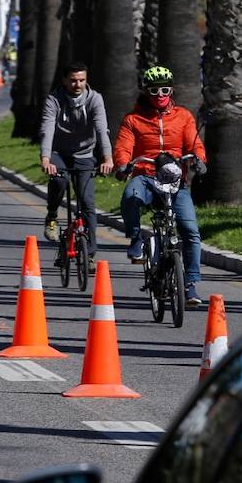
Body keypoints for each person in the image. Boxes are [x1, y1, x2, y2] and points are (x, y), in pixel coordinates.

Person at [112, 64, 208, 307]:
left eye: (164, 90)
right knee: (131, 196)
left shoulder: (184, 116)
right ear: (146, 92)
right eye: (154, 91)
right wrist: (123, 165)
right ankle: (135, 238)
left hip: (175, 180)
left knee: (191, 231)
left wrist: (199, 159)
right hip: (146, 176)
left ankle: (191, 284)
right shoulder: (133, 120)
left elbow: (194, 144)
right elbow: (123, 147)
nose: (160, 95)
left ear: (171, 90)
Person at [39, 62, 113, 267]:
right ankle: (52, 216)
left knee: (87, 203)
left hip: (85, 154)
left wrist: (107, 158)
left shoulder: (95, 99)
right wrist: (45, 158)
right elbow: (47, 129)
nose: (77, 84)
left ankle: (89, 253)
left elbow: (101, 129)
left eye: (81, 80)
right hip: (59, 153)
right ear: (64, 81)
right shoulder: (54, 99)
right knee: (60, 182)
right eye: (73, 80)